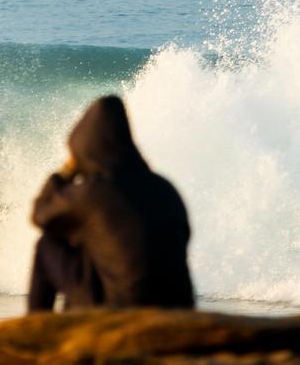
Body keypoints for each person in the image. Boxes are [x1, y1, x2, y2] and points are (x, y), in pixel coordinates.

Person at [28, 95, 195, 312]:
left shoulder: (92, 193)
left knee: (48, 243)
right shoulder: (165, 187)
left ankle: (38, 331)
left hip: (119, 307)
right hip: (178, 306)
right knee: (97, 242)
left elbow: (41, 216)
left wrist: (66, 172)